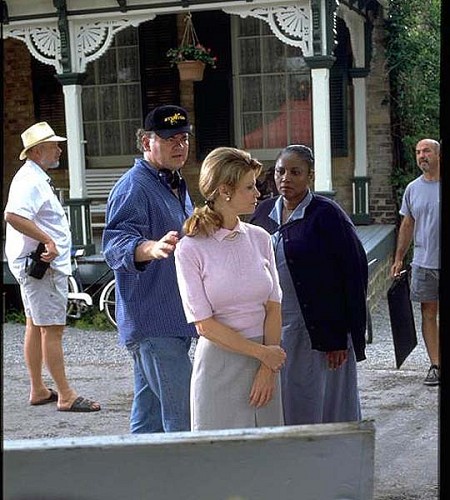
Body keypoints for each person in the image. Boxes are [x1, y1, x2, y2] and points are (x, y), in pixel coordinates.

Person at [250, 144, 368, 425]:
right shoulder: (262, 212)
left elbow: (353, 275)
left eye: (295, 172)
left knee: (324, 400)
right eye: (280, 171)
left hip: (321, 328)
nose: (285, 178)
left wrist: (340, 335)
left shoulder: (328, 215)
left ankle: (330, 459)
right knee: (284, 400)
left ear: (310, 176)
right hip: (279, 325)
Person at [174, 147, 286, 431]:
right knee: (219, 463)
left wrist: (267, 367)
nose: (258, 194)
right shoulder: (190, 249)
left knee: (266, 456)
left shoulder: (261, 239)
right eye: (249, 187)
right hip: (220, 367)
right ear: (225, 191)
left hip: (266, 362)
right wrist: (264, 355)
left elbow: (273, 307)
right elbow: (204, 325)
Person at [102, 105, 197, 433]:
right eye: (170, 139)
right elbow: (114, 244)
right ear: (146, 142)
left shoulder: (175, 183)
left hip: (171, 321)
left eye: (183, 138)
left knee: (149, 422)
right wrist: (149, 249)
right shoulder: (134, 186)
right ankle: (183, 483)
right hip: (155, 323)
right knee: (183, 419)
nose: (179, 145)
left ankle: (141, 482)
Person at [4, 121, 101, 413]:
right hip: (42, 268)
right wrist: (48, 240)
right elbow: (13, 215)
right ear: (36, 151)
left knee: (36, 326)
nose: (59, 149)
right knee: (52, 330)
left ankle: (38, 388)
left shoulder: (33, 177)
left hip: (32, 266)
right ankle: (66, 395)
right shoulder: (30, 180)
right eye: (53, 144)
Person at [391, 138, 440, 386]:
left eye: (427, 151)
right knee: (428, 312)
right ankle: (435, 364)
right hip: (423, 261)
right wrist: (399, 258)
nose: (422, 155)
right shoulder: (412, 189)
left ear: (438, 155)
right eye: (418, 152)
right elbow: (407, 224)